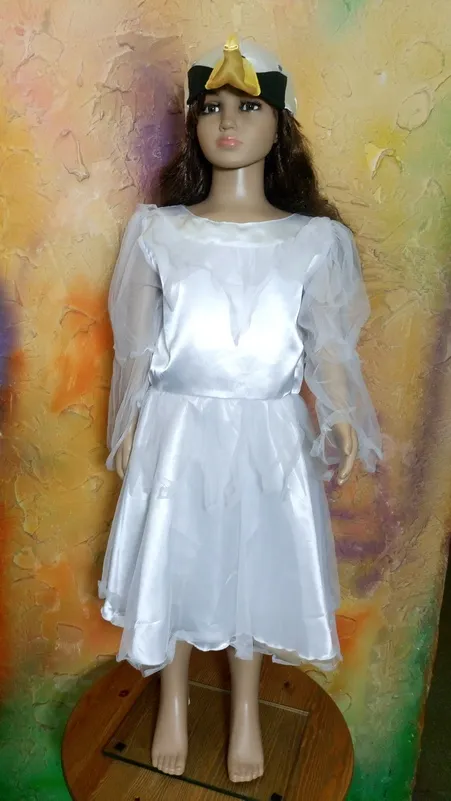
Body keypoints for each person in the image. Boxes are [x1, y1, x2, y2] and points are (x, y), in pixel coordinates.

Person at [98, 35, 382, 783]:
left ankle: (247, 710)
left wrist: (341, 414)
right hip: (178, 425)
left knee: (252, 561)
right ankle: (172, 703)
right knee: (179, 555)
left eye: (248, 108)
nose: (227, 122)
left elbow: (327, 345)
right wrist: (128, 419)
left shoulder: (313, 242)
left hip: (268, 430)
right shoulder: (158, 231)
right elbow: (136, 345)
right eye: (212, 107)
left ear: (279, 124)